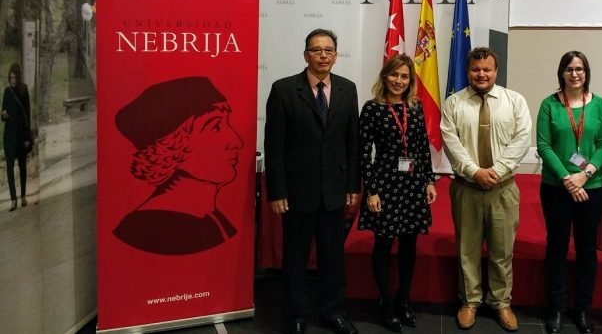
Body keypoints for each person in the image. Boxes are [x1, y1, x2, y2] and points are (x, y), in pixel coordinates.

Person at [265, 29, 360, 334]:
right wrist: (277, 191)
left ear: (336, 55)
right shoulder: (283, 90)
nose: (323, 55)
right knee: (296, 257)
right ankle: (296, 314)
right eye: (317, 50)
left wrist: (352, 184)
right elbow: (274, 146)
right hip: (296, 192)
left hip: (334, 190)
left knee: (333, 257)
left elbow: (353, 142)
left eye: (328, 50)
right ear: (306, 54)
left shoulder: (348, 89)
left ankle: (333, 311)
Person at [440, 47, 532, 332]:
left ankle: (501, 302)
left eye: (487, 69)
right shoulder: (454, 103)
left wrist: (497, 171)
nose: (481, 74)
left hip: (502, 188)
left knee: (502, 251)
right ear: (468, 71)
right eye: (475, 69)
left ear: (496, 71)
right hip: (466, 187)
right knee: (467, 249)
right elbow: (451, 142)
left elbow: (522, 138)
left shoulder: (514, 101)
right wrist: (474, 171)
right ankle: (470, 301)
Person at [113, 76, 243, 255]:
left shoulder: (209, 217)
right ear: (171, 145)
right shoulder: (151, 227)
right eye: (216, 127)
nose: (237, 141)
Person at [357, 54, 437, 332]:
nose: (399, 81)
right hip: (384, 185)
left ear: (410, 80)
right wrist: (371, 191)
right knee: (383, 243)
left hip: (412, 185)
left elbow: (422, 147)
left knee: (409, 244)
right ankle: (387, 302)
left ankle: (404, 299)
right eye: (394, 75)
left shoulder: (415, 106)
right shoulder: (372, 108)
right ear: (385, 76)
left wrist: (429, 181)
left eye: (404, 76)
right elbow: (364, 153)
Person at [535, 51, 602, 333]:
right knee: (556, 246)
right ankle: (556, 308)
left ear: (586, 73)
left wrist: (585, 174)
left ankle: (582, 309)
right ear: (561, 73)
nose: (575, 74)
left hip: (592, 188)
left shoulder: (598, 104)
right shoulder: (549, 104)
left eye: (580, 69)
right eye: (569, 69)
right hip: (556, 187)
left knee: (586, 248)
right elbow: (544, 146)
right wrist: (568, 179)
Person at [2, 63, 32, 212]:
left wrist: (27, 137)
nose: (12, 80)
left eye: (14, 77)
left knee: (22, 167)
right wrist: (3, 115)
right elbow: (3, 113)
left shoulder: (24, 90)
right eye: (10, 77)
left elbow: (27, 115)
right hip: (9, 136)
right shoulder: (7, 92)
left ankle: (23, 196)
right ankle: (13, 199)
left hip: (20, 136)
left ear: (18, 77)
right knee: (9, 168)